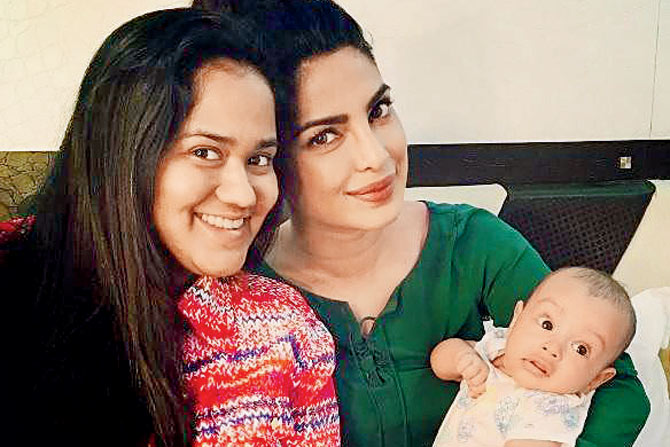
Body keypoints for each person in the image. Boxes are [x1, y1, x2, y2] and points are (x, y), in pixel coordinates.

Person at [191, 1, 650, 446]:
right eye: (324, 136)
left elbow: (621, 393)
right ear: (267, 154)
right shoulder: (238, 296)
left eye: (378, 111)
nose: (376, 156)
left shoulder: (473, 244)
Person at [1, 8, 339, 447]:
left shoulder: (285, 328)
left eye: (259, 159)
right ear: (122, 152)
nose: (244, 194)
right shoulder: (15, 284)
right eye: (205, 152)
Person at [430, 267, 636, 447]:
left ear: (595, 380)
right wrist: (461, 357)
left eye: (580, 349)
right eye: (547, 325)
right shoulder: (497, 347)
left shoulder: (550, 409)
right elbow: (439, 362)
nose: (552, 348)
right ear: (517, 319)